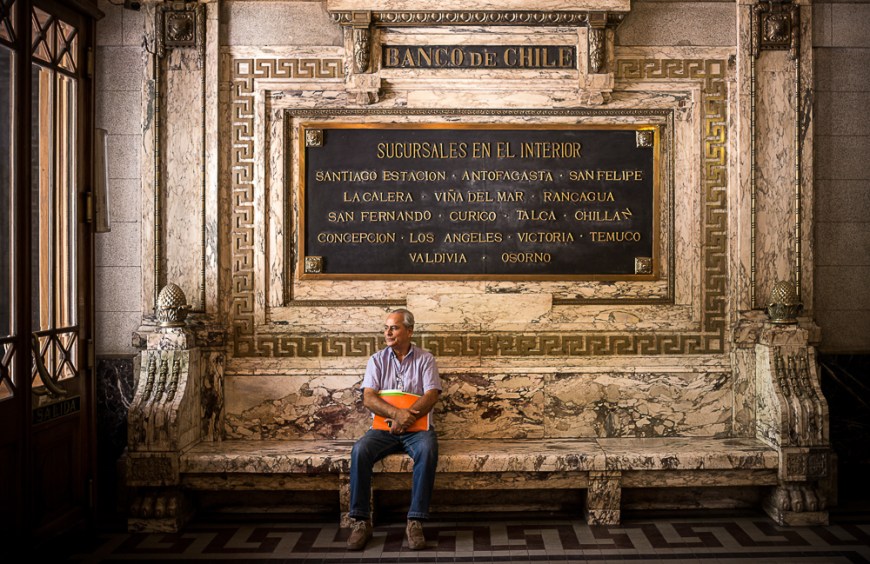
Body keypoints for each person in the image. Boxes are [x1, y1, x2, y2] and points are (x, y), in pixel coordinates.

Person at [346, 308, 442, 551]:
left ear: (409, 331)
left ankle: (415, 521)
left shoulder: (425, 359)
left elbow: (431, 394)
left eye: (394, 327)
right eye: (386, 327)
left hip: (418, 430)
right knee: (360, 451)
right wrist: (395, 414)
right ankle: (360, 521)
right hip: (382, 430)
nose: (388, 332)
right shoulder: (376, 360)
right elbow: (368, 398)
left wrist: (406, 418)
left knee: (428, 450)